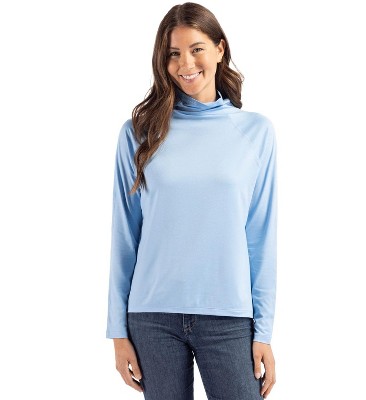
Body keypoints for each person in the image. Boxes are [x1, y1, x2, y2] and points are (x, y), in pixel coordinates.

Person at [106, 2, 278, 399]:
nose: (185, 63)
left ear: (220, 49)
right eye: (173, 53)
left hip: (229, 317)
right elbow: (125, 236)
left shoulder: (256, 133)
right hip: (152, 317)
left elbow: (261, 237)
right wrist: (118, 332)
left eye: (196, 48)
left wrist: (264, 331)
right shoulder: (138, 134)